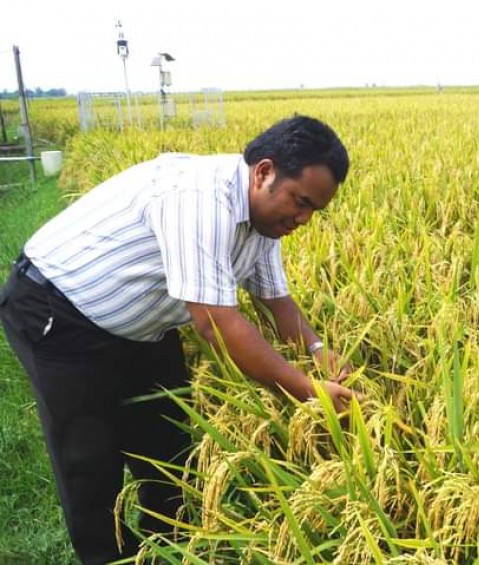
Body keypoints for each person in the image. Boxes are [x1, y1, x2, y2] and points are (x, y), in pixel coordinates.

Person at [0, 115, 358, 564]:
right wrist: (307, 391)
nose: (303, 219)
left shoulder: (266, 222)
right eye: (300, 202)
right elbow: (215, 324)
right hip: (59, 310)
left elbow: (277, 301)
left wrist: (318, 352)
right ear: (264, 171)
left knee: (170, 449)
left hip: (145, 327)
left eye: (314, 211)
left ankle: (170, 550)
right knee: (89, 460)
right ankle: (107, 557)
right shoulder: (199, 199)